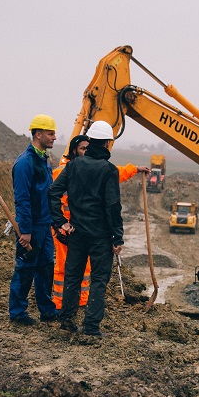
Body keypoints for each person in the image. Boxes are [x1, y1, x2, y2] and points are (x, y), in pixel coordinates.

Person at [51, 134, 149, 309]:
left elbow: (113, 172)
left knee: (83, 269)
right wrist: (59, 224)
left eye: (86, 148)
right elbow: (52, 197)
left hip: (78, 228)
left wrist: (135, 169)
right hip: (65, 229)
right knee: (64, 269)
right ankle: (60, 303)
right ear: (74, 150)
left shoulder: (86, 168)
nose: (85, 151)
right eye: (82, 148)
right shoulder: (63, 171)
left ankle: (81, 301)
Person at [49, 120, 123, 342]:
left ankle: (67, 324)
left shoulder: (73, 166)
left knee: (73, 277)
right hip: (100, 237)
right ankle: (91, 329)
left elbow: (53, 192)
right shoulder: (109, 170)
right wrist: (117, 236)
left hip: (77, 233)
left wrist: (61, 222)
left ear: (89, 140)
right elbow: (112, 206)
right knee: (99, 281)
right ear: (108, 143)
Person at [8, 114, 58, 326]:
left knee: (46, 267)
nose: (54, 137)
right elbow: (22, 200)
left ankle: (47, 310)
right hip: (32, 227)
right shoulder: (25, 163)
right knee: (25, 268)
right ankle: (18, 313)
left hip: (45, 226)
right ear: (38, 134)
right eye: (50, 133)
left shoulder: (43, 160)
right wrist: (25, 231)